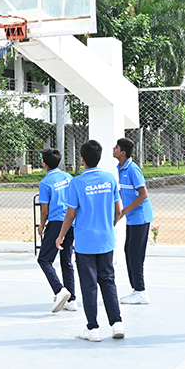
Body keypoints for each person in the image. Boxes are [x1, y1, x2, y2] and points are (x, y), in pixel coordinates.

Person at [56, 140, 124, 342]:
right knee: (108, 280)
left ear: (82, 159)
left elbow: (70, 214)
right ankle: (117, 323)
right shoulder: (110, 179)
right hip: (106, 240)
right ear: (100, 157)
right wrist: (108, 226)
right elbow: (118, 210)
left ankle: (93, 328)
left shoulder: (76, 183)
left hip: (85, 242)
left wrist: (61, 235)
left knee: (89, 285)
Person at [113, 137, 154, 305]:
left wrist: (124, 211)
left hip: (141, 218)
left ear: (123, 152)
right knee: (128, 252)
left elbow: (143, 194)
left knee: (135, 254)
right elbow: (125, 191)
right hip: (132, 218)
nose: (113, 149)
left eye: (116, 147)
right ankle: (136, 289)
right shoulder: (121, 168)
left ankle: (141, 292)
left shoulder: (132, 169)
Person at [36, 148, 77, 313]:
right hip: (71, 222)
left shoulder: (45, 183)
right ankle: (72, 300)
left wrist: (41, 225)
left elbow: (45, 210)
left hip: (56, 223)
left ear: (44, 163)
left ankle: (59, 290)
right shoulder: (68, 177)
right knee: (66, 260)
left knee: (44, 260)